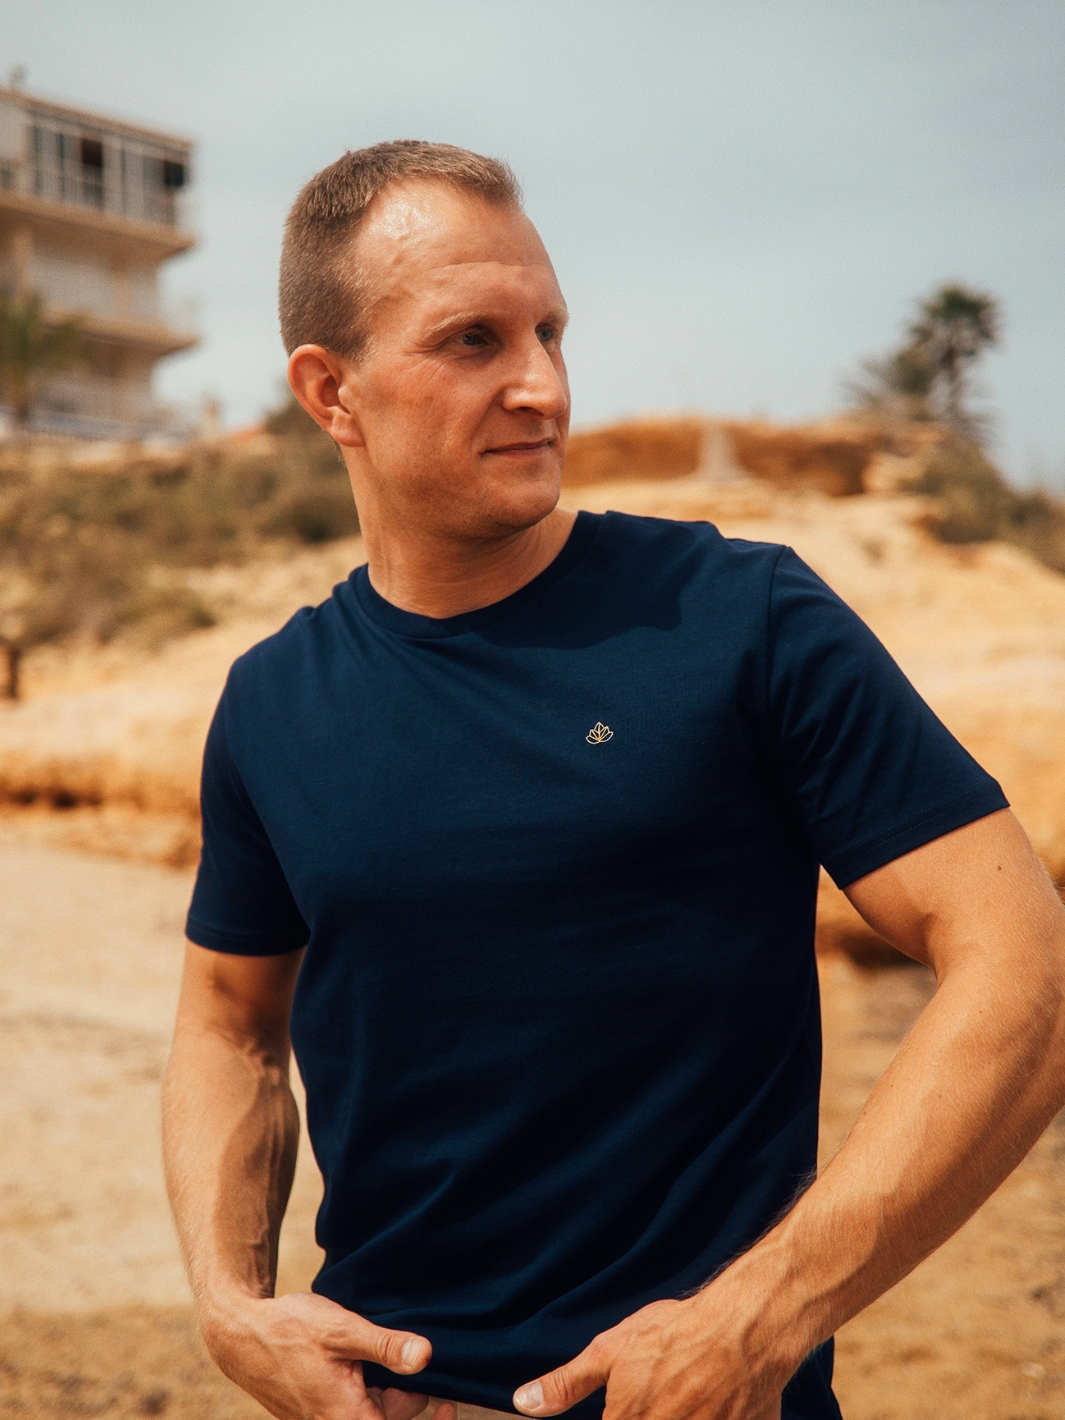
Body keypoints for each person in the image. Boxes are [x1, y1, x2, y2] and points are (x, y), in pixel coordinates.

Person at [162, 141, 1065, 1420]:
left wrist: (761, 1317)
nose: (541, 384)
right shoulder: (271, 702)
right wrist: (230, 1305)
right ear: (331, 391)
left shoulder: (740, 617)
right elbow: (226, 1020)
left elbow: (1026, 961)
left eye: (550, 331)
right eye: (473, 341)